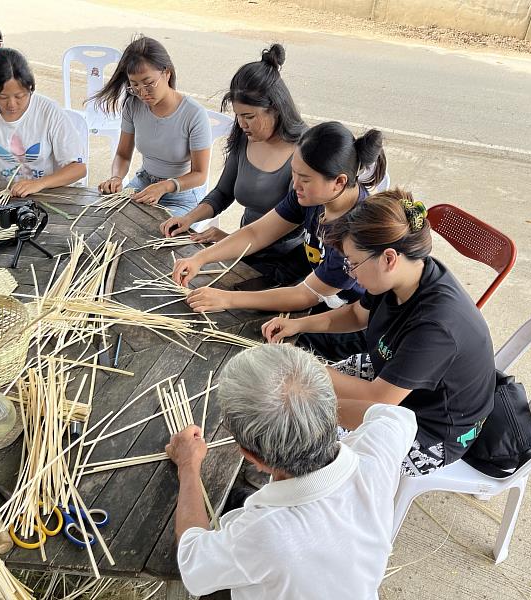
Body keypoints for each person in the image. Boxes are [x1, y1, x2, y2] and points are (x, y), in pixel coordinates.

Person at [262, 190, 496, 476]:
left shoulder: (436, 326)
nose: (351, 273)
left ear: (388, 258)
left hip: (431, 431)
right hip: (393, 379)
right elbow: (356, 314)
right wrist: (298, 325)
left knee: (296, 432)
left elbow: (378, 401)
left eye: (353, 263)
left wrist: (308, 383)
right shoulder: (405, 277)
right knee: (298, 395)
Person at [165, 344, 417, 599]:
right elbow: (396, 417)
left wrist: (188, 465)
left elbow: (191, 558)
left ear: (252, 456)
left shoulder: (268, 534)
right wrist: (308, 408)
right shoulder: (376, 457)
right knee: (234, 499)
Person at [171, 121, 386, 359]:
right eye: (294, 173)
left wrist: (227, 298)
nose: (295, 185)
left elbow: (305, 295)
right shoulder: (310, 198)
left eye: (305, 178)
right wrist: (200, 258)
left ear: (339, 182)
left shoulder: (355, 232)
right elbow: (257, 233)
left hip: (353, 323)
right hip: (322, 301)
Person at [159, 44, 309, 286]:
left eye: (249, 117)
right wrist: (189, 219)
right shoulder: (244, 136)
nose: (241, 124)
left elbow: (275, 229)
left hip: (284, 265)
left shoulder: (305, 153)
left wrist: (228, 241)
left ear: (276, 109)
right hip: (243, 250)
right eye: (238, 116)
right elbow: (223, 192)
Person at [93, 35, 212, 217]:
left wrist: (165, 186)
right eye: (134, 86)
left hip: (183, 195)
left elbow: (200, 174)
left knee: (158, 232)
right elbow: (122, 155)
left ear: (167, 73)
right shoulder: (133, 105)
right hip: (144, 183)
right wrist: (116, 177)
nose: (142, 93)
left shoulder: (194, 114)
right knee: (109, 216)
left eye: (149, 83)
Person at [0, 48, 86, 198]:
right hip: (11, 196)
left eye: (20, 96)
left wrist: (40, 183)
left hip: (53, 194)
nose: (12, 104)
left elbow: (78, 168)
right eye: (2, 97)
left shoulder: (49, 111)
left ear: (30, 87)